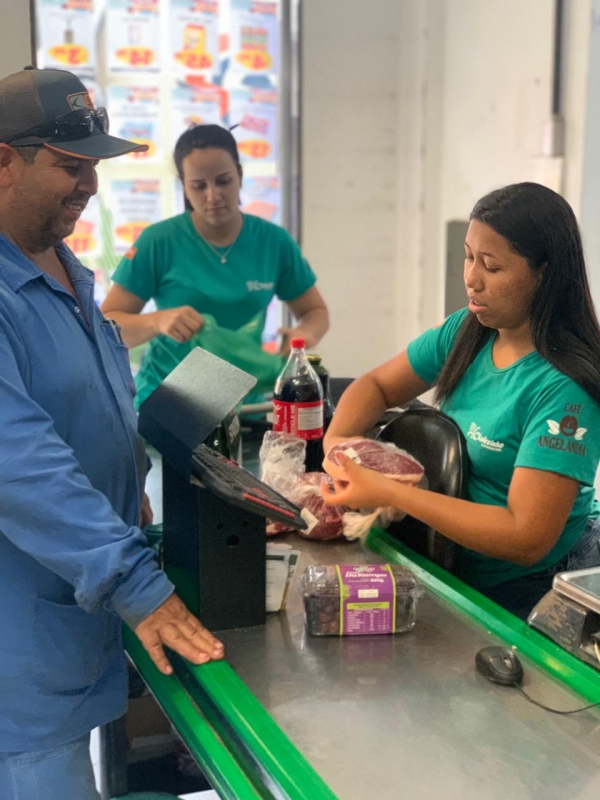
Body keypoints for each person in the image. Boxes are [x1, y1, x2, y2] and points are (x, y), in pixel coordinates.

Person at [0, 67, 223, 800]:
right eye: (70, 166)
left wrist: (130, 482)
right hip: (18, 660)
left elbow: (91, 396)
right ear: (4, 161)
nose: (89, 185)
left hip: (73, 617)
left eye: (94, 166)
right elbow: (19, 463)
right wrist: (136, 584)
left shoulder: (61, 268)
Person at [322, 182, 600, 620]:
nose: (471, 278)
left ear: (544, 274)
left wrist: (393, 492)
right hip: (453, 563)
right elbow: (375, 386)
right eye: (469, 257)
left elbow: (526, 538)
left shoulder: (564, 390)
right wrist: (337, 445)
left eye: (491, 266)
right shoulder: (468, 331)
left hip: (530, 586)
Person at [101, 124, 329, 407]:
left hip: (245, 403)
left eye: (223, 181)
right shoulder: (158, 241)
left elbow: (315, 311)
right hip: (168, 405)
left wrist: (304, 335)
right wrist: (157, 321)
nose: (213, 196)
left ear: (240, 176)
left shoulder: (273, 242)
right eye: (199, 186)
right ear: (185, 187)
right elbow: (107, 326)